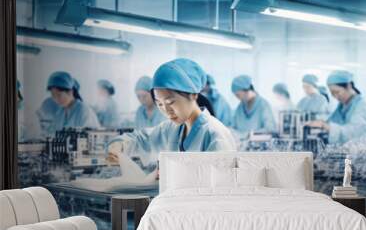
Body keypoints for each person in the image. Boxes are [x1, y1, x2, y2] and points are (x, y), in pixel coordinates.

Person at [106, 58, 236, 164]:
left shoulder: (215, 135)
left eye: (170, 102)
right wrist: (119, 146)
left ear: (193, 95)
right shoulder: (172, 129)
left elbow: (221, 187)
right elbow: (141, 139)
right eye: (160, 104)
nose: (166, 111)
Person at [306, 70, 366, 144]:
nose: (335, 96)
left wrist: (325, 126)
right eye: (332, 93)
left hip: (362, 152)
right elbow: (332, 122)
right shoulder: (342, 106)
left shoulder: (363, 106)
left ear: (349, 86)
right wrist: (320, 123)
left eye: (337, 92)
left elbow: (354, 133)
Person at [45, 71, 99, 136]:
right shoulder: (60, 112)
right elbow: (51, 133)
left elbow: (90, 137)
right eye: (53, 95)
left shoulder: (84, 111)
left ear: (70, 92)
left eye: (59, 95)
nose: (56, 99)